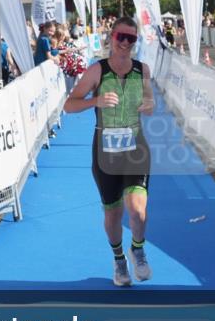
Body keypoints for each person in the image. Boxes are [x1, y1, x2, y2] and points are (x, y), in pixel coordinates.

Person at [64, 16, 155, 287]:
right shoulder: (97, 71)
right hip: (105, 153)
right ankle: (119, 260)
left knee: (137, 211)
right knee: (113, 214)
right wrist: (97, 100)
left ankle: (137, 249)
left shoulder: (142, 70)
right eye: (120, 37)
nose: (125, 43)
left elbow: (150, 102)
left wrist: (148, 104)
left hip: (136, 150)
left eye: (131, 38)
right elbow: (69, 105)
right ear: (111, 37)